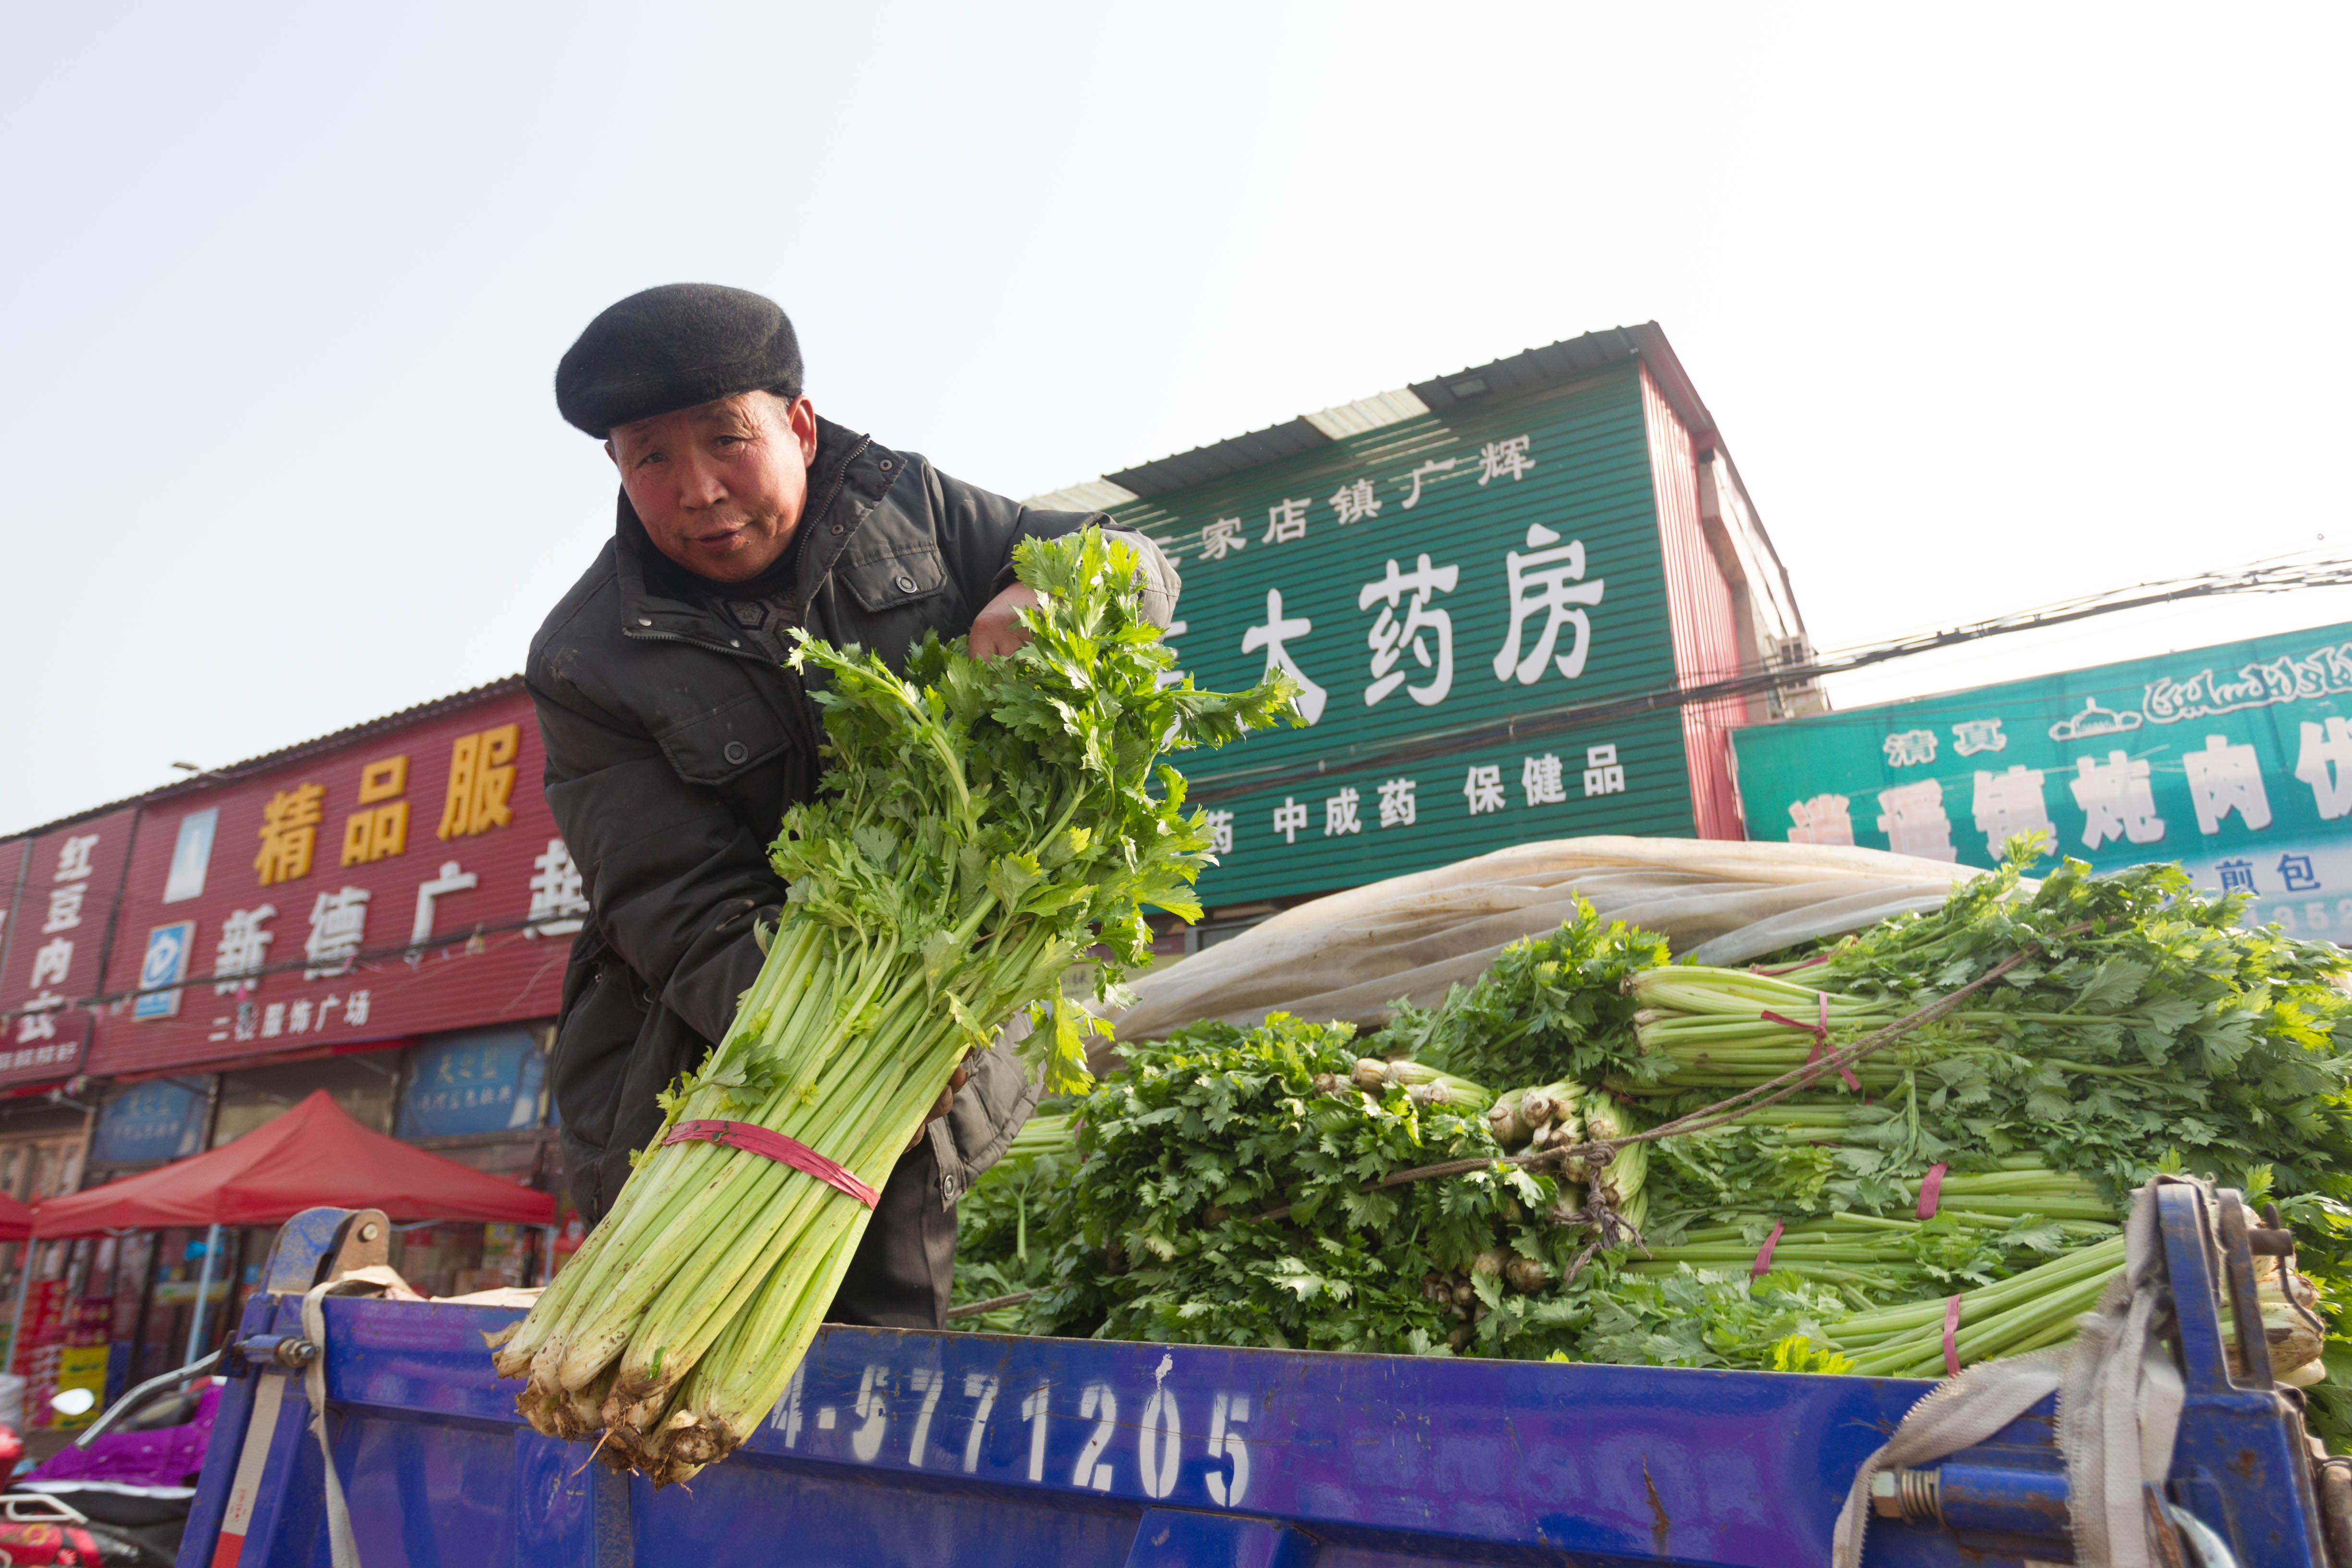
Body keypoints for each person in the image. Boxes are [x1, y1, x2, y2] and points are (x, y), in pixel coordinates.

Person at [527, 283, 1178, 1326]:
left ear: (798, 423)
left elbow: (1123, 556)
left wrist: (1057, 589)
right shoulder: (586, 658)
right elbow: (676, 904)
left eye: (727, 438)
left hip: (929, 1072)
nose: (697, 490)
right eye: (650, 458)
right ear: (617, 467)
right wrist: (860, 1052)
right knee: (695, 1326)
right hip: (716, 1061)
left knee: (889, 1349)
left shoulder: (912, 507)